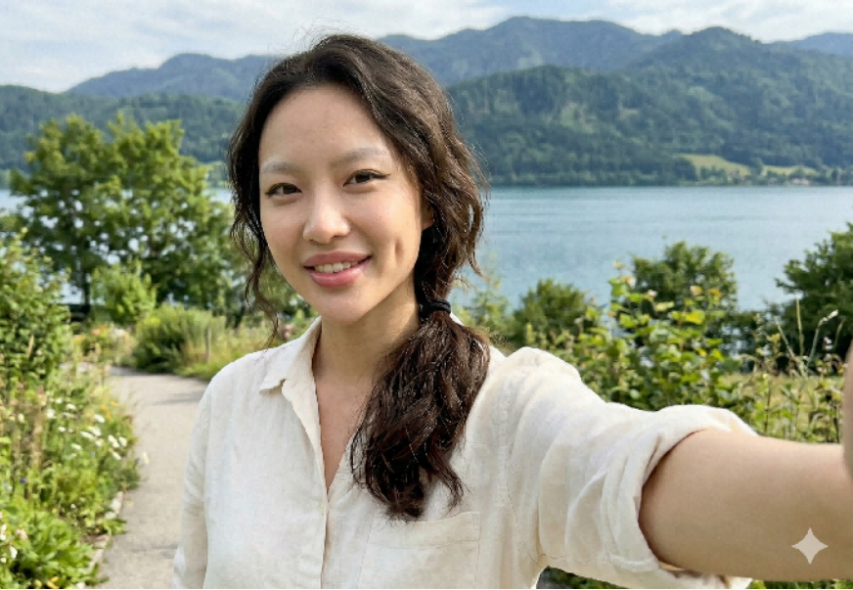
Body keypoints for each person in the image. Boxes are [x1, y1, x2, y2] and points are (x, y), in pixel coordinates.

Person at [172, 34, 853, 588]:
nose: (322, 223)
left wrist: (834, 501)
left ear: (428, 197)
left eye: (362, 178)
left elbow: (629, 475)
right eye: (284, 189)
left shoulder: (504, 413)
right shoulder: (234, 402)